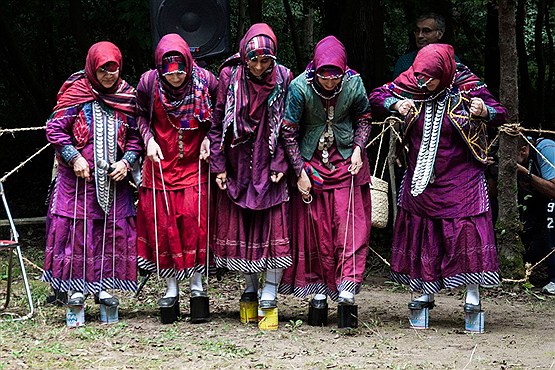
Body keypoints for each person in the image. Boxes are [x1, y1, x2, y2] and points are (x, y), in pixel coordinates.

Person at [369, 44, 507, 316]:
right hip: (422, 173)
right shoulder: (412, 81)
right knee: (424, 232)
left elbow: (499, 112)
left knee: (466, 234)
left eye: (430, 78)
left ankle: (472, 295)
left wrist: (483, 111)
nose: (424, 82)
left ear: (443, 71)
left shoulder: (467, 84)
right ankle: (424, 291)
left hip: (461, 175)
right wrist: (395, 104)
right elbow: (376, 96)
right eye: (421, 77)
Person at [43, 41, 141, 308]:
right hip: (77, 181)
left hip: (113, 182)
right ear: (92, 68)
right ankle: (76, 289)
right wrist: (73, 157)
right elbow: (55, 130)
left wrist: (127, 162)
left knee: (110, 233)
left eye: (114, 69)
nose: (109, 76)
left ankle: (104, 288)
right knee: (76, 233)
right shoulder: (77, 93)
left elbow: (136, 136)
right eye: (103, 70)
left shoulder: (127, 96)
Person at [279, 36, 372, 316]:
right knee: (315, 229)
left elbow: (364, 118)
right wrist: (299, 172)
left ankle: (346, 287)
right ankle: (318, 291)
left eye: (335, 77)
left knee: (350, 225)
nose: (329, 82)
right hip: (311, 163)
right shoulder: (299, 87)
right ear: (315, 70)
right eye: (324, 76)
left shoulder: (354, 83)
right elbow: (288, 131)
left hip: (346, 162)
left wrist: (358, 149)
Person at [207, 23, 293, 310]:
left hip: (269, 159)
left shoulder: (284, 77)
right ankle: (249, 287)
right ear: (244, 56)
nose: (259, 66)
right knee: (245, 225)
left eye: (265, 60)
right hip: (238, 160)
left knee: (271, 226)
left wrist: (281, 160)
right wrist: (218, 166)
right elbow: (218, 120)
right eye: (254, 59)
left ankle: (270, 289)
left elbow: (289, 124)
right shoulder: (229, 76)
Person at [135, 33, 218, 311]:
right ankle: (171, 288)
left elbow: (220, 113)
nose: (176, 77)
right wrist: (148, 141)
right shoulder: (149, 83)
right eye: (169, 73)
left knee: (194, 223)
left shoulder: (206, 81)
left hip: (195, 162)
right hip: (161, 163)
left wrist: (210, 139)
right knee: (165, 225)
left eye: (181, 71)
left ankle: (197, 286)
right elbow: (139, 116)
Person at [517, 136, 555, 294]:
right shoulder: (523, 156)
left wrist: (527, 174)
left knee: (553, 208)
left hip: (552, 199)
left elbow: (554, 190)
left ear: (524, 151)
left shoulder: (545, 149)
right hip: (539, 202)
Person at [393, 13, 449, 79]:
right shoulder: (404, 62)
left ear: (440, 34)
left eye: (426, 31)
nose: (420, 36)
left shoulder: (450, 60)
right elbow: (395, 88)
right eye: (417, 31)